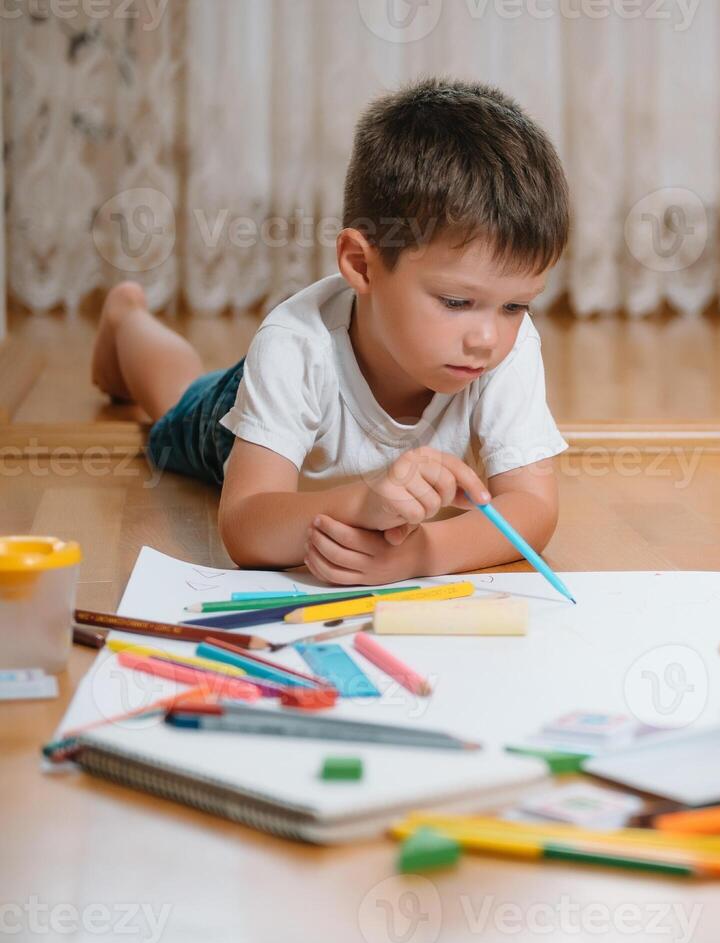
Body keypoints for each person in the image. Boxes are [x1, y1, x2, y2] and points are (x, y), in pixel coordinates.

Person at [90, 78, 569, 586]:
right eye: (456, 302)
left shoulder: (504, 344)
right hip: (234, 406)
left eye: (516, 305)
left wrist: (420, 555)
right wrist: (362, 504)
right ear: (361, 264)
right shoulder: (295, 346)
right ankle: (126, 320)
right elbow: (246, 526)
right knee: (178, 399)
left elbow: (534, 508)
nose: (487, 339)